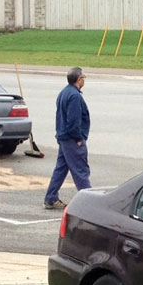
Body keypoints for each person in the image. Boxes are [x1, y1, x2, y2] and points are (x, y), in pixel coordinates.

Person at [43, 66, 91, 210]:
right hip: (72, 139)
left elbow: (60, 117)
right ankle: (90, 202)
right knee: (80, 171)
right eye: (83, 77)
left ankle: (50, 198)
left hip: (63, 138)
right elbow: (73, 121)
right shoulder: (75, 96)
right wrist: (79, 138)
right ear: (78, 79)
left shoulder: (64, 92)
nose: (84, 80)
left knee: (61, 169)